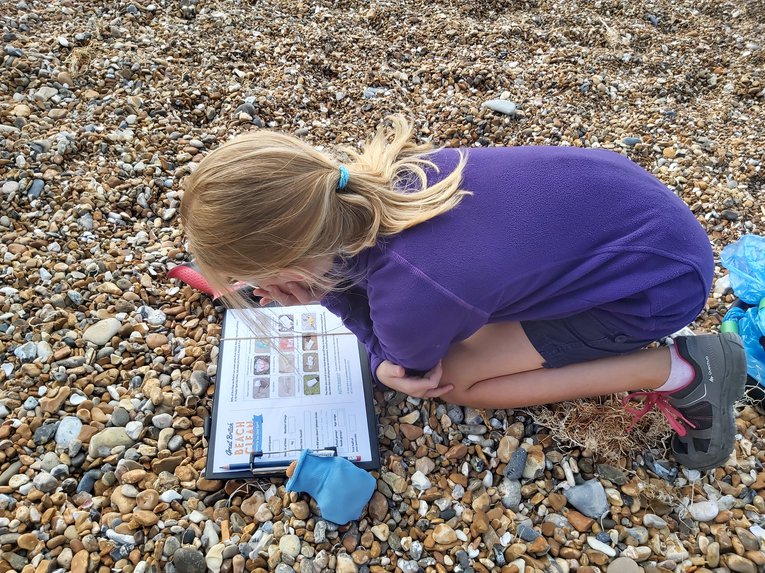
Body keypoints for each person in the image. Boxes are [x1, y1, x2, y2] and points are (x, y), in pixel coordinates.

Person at [179, 117, 747, 471]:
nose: (261, 296)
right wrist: (325, 288)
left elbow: (411, 364)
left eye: (257, 285)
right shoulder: (374, 183)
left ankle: (681, 371)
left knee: (461, 382)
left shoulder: (415, 288)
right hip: (644, 217)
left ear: (290, 260)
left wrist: (376, 361)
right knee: (471, 314)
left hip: (655, 289)